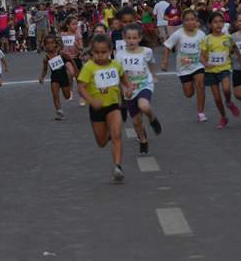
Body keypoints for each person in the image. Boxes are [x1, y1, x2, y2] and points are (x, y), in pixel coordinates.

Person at [77, 34, 131, 182]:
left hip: (113, 106)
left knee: (117, 134)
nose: (100, 55)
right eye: (96, 52)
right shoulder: (89, 67)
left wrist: (128, 88)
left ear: (110, 51)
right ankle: (108, 134)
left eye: (104, 52)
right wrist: (91, 100)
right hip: (97, 108)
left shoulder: (116, 65)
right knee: (101, 142)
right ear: (92, 52)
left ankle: (118, 167)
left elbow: (124, 78)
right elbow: (81, 88)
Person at [116, 23, 162, 155]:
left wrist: (154, 75)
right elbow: (119, 74)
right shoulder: (119, 55)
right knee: (136, 122)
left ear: (140, 38)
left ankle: (152, 118)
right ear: (124, 38)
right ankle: (143, 141)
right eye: (128, 38)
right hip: (129, 89)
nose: (131, 41)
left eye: (134, 38)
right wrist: (123, 90)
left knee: (144, 106)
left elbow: (152, 63)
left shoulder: (147, 51)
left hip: (144, 84)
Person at [162, 9, 207, 122]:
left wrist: (207, 61)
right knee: (189, 94)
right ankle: (191, 83)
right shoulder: (178, 34)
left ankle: (201, 113)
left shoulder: (201, 35)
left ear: (196, 21)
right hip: (184, 68)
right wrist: (165, 61)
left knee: (200, 85)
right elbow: (167, 46)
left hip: (198, 65)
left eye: (192, 19)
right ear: (183, 21)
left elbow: (205, 49)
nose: (190, 22)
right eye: (187, 20)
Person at [200, 11, 241, 129]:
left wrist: (240, 59)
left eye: (220, 22)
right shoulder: (206, 39)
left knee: (226, 89)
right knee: (217, 99)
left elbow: (235, 48)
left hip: (224, 68)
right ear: (210, 25)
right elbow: (201, 56)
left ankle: (229, 102)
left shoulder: (228, 38)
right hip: (211, 71)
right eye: (215, 22)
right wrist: (205, 64)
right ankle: (224, 117)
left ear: (224, 23)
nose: (218, 24)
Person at [39, 33, 77, 120]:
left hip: (64, 77)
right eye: (47, 43)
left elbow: (71, 59)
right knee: (55, 95)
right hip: (54, 78)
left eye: (52, 43)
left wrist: (75, 70)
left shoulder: (61, 53)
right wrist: (42, 77)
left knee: (67, 96)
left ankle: (70, 84)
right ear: (45, 45)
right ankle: (59, 112)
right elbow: (45, 69)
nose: (50, 45)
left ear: (55, 44)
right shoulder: (46, 57)